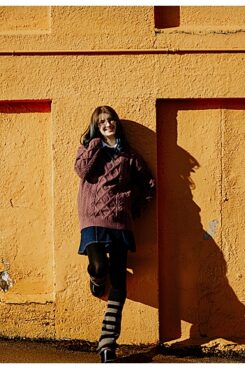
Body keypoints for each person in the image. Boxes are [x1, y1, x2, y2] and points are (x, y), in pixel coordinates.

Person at [74, 106, 155, 363]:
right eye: (101, 122)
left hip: (120, 222)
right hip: (93, 218)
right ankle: (97, 280)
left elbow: (149, 185)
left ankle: (108, 343)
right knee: (99, 265)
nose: (107, 124)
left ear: (116, 123)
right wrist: (96, 143)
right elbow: (82, 171)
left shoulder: (129, 156)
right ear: (96, 127)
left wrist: (134, 205)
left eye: (110, 120)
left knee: (119, 280)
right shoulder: (89, 148)